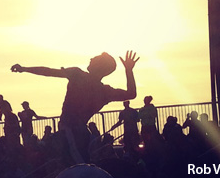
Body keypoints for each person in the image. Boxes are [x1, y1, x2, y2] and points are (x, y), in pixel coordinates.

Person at [11, 50, 139, 163]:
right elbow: (131, 94)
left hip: (71, 133)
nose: (91, 58)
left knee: (78, 166)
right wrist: (128, 70)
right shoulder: (104, 91)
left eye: (96, 58)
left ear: (99, 66)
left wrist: (25, 69)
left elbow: (49, 72)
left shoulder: (77, 74)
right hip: (78, 134)